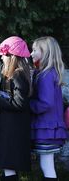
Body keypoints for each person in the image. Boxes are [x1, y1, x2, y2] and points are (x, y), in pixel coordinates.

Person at [0, 36, 32, 181]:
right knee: (8, 166)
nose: (2, 57)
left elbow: (19, 103)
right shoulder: (13, 74)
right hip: (10, 124)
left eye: (4, 54)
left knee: (8, 163)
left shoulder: (18, 75)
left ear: (12, 56)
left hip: (13, 127)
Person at [29, 36, 68, 181]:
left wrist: (27, 105)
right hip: (48, 127)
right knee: (46, 165)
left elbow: (45, 103)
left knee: (47, 165)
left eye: (34, 50)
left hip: (47, 128)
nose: (31, 54)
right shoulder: (47, 73)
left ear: (45, 53)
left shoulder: (46, 75)